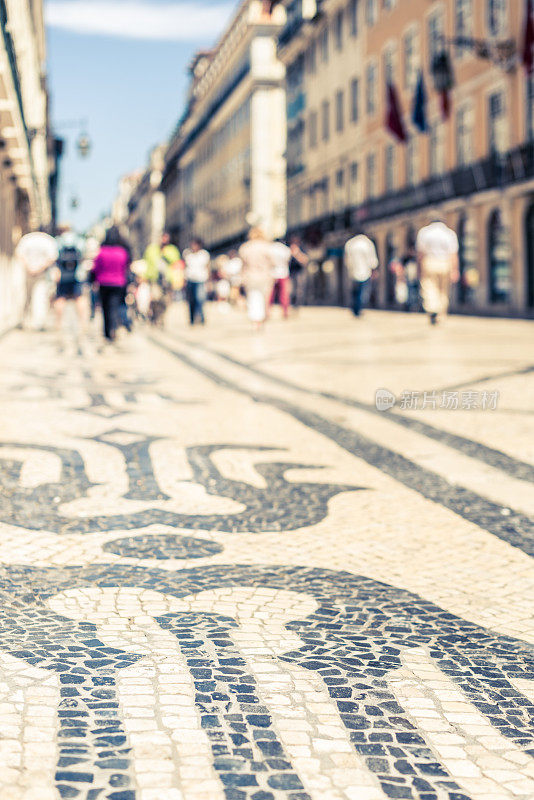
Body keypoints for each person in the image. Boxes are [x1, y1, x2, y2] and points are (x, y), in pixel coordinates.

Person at [416, 219, 459, 325]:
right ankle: (440, 314)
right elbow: (453, 254)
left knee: (429, 287)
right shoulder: (449, 233)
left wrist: (419, 268)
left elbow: (420, 253)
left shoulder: (424, 232)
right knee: (443, 290)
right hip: (445, 263)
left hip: (429, 262)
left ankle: (432, 308)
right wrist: (455, 270)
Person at [92, 226, 131, 341]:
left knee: (105, 307)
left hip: (103, 283)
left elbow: (96, 268)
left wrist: (94, 281)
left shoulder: (101, 252)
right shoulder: (122, 252)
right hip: (118, 283)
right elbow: (126, 268)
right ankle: (114, 328)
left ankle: (107, 331)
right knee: (114, 306)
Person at [14, 230, 59, 330]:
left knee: (26, 297)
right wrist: (39, 269)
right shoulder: (49, 240)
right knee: (39, 297)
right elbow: (52, 258)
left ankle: (24, 321)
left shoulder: (26, 238)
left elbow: (19, 254)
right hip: (39, 273)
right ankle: (37, 323)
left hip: (28, 272)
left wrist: (29, 268)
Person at [239, 228, 275, 329]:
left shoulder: (245, 247)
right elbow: (272, 262)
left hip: (250, 276)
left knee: (253, 298)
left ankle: (255, 320)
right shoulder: (267, 247)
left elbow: (243, 265)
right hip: (265, 276)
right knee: (264, 298)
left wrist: (242, 277)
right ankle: (262, 319)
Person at [54, 228, 87, 331]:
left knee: (60, 299)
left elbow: (55, 257)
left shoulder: (59, 241)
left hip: (62, 275)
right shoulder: (78, 240)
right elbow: (83, 256)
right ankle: (83, 323)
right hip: (76, 275)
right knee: (79, 298)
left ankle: (58, 323)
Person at [344, 232, 379, 316]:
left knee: (355, 292)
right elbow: (372, 258)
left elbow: (347, 260)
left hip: (353, 271)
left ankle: (355, 308)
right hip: (364, 271)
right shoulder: (367, 243)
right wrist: (374, 269)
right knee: (362, 292)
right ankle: (358, 309)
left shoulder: (349, 244)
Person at [183, 238, 210, 325]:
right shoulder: (187, 254)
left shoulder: (204, 254)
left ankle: (201, 318)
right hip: (190, 280)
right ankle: (192, 319)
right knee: (191, 301)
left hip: (200, 280)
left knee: (200, 299)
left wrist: (208, 281)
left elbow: (207, 267)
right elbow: (185, 267)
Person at [269, 239, 292, 318]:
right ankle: (285, 312)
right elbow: (288, 261)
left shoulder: (270, 248)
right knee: (284, 294)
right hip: (283, 273)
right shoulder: (286, 249)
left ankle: (268, 311)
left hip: (272, 273)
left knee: (270, 294)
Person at [288, 235, 309, 309]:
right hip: (290, 272)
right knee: (290, 290)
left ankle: (298, 304)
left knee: (299, 289)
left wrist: (297, 254)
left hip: (299, 272)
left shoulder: (301, 249)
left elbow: (305, 261)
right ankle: (291, 303)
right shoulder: (287, 250)